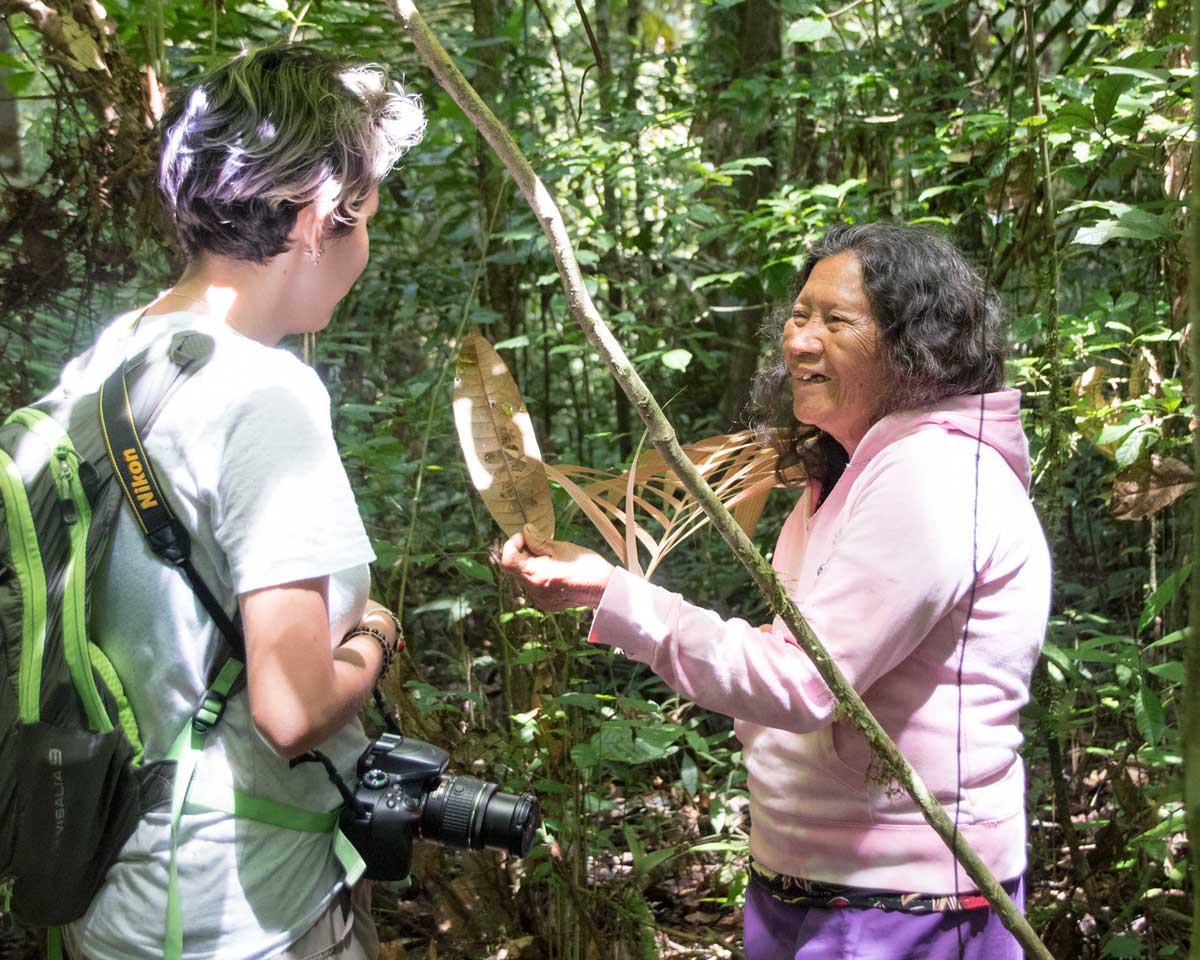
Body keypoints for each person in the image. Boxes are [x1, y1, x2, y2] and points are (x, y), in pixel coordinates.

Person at [501, 223, 1051, 960]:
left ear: (914, 346)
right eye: (799, 315)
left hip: (904, 901)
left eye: (836, 320)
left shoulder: (935, 476)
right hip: (815, 884)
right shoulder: (844, 479)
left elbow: (804, 681)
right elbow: (798, 661)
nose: (799, 341)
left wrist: (617, 594)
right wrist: (599, 592)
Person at [57, 44, 425, 960]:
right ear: (316, 216)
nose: (367, 243)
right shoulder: (266, 395)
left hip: (110, 882)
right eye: (366, 214)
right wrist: (373, 632)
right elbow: (292, 705)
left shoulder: (109, 358)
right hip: (243, 907)